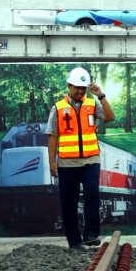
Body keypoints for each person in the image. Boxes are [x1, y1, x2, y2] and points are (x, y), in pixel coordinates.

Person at [47, 67, 115, 250]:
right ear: (69, 86)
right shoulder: (58, 108)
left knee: (92, 193)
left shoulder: (93, 104)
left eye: (83, 88)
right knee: (68, 201)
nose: (80, 91)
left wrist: (100, 95)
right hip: (67, 162)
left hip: (90, 159)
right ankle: (74, 241)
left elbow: (110, 117)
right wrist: (52, 162)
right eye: (77, 87)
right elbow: (52, 135)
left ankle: (91, 234)